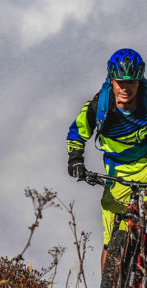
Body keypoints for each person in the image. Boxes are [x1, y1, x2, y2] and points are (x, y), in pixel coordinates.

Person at [67, 48, 147, 271]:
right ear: (111, 80)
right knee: (111, 240)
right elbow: (77, 133)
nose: (125, 88)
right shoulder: (100, 105)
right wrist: (75, 160)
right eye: (120, 82)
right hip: (117, 171)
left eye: (131, 82)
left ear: (139, 81)